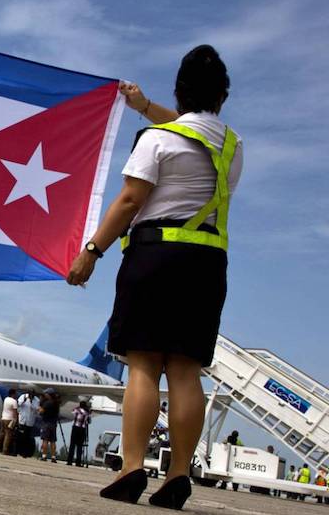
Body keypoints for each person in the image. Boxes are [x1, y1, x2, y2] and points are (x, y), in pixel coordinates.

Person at [70, 45, 243, 511]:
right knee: (186, 371)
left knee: (143, 365)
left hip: (155, 256)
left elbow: (129, 201)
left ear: (178, 91)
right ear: (222, 97)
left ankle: (131, 468)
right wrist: (145, 107)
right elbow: (192, 129)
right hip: (207, 264)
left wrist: (92, 251)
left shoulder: (156, 141)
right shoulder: (231, 148)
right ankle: (179, 473)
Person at [0, 391, 19, 455]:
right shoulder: (14, 401)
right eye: (15, 394)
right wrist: (15, 420)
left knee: (1, 434)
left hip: (3, 418)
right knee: (8, 435)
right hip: (9, 419)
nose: (16, 395)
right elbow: (15, 412)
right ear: (13, 394)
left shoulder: (6, 399)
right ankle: (5, 450)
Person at [38, 388, 60, 462]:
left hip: (46, 423)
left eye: (46, 394)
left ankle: (44, 456)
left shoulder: (47, 403)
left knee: (45, 440)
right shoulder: (56, 403)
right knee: (53, 441)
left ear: (49, 395)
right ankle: (53, 457)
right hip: (53, 424)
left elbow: (41, 412)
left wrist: (40, 405)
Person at [17, 389, 40, 458]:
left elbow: (36, 409)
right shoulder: (23, 396)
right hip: (22, 420)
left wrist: (31, 403)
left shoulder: (37, 400)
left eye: (33, 396)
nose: (31, 397)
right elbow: (18, 404)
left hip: (30, 422)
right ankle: (17, 451)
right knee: (20, 437)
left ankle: (24, 453)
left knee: (27, 438)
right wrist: (24, 400)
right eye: (30, 396)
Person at [68, 400, 92, 467]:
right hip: (83, 429)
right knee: (80, 446)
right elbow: (89, 421)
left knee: (72, 445)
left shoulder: (77, 410)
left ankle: (69, 461)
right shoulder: (87, 412)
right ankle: (78, 462)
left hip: (75, 428)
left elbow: (72, 411)